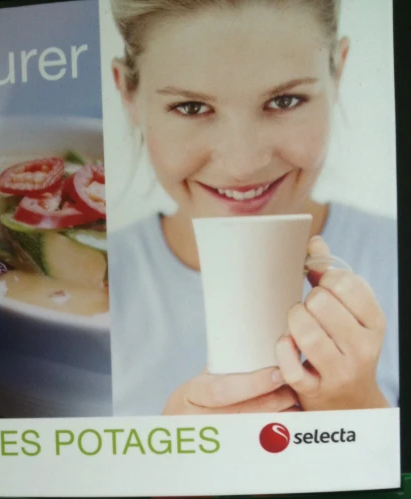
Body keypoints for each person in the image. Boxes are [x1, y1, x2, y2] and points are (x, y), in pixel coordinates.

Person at [107, 0, 398, 417]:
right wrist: (175, 467)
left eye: (284, 101)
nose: (242, 164)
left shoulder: (395, 256)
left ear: (338, 73)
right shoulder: (94, 284)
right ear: (127, 94)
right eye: (191, 107)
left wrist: (357, 406)